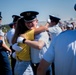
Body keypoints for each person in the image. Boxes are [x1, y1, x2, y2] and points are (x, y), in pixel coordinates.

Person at [12, 11, 48, 75]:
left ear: (36, 21)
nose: (29, 24)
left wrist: (24, 41)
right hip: (31, 64)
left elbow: (39, 46)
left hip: (42, 64)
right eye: (27, 22)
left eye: (31, 21)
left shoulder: (42, 33)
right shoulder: (28, 33)